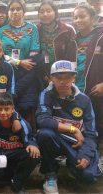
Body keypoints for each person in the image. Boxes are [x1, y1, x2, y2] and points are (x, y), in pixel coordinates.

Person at [36, 60, 102, 194]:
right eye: (58, 77)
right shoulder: (46, 95)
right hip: (57, 139)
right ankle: (50, 175)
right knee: (44, 134)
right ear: (51, 78)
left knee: (88, 177)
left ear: (74, 78)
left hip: (78, 143)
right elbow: (42, 119)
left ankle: (95, 160)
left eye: (68, 77)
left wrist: (86, 155)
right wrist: (73, 129)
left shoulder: (84, 100)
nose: (63, 81)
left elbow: (91, 133)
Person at [0, 0, 44, 129]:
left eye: (18, 9)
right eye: (12, 9)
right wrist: (18, 62)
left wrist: (25, 65)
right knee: (10, 106)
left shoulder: (32, 28)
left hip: (28, 73)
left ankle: (30, 140)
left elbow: (35, 52)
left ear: (24, 11)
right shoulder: (1, 31)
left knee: (28, 108)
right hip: (8, 73)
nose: (15, 12)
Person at [0, 93, 40, 193]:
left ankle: (17, 182)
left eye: (7, 109)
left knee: (34, 154)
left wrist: (31, 144)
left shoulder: (21, 123)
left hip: (16, 152)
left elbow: (29, 137)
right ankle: (5, 175)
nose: (3, 112)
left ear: (13, 109)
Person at [73, 3, 103, 143]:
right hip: (76, 89)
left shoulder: (100, 37)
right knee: (80, 123)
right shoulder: (72, 40)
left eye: (82, 16)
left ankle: (99, 157)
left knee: (98, 123)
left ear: (92, 18)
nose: (78, 20)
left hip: (96, 89)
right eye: (75, 17)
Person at [37, 0, 77, 76]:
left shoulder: (68, 30)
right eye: (42, 12)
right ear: (38, 15)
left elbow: (73, 55)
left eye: (49, 11)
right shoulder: (36, 30)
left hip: (63, 74)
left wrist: (71, 74)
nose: (45, 14)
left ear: (56, 13)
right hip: (42, 75)